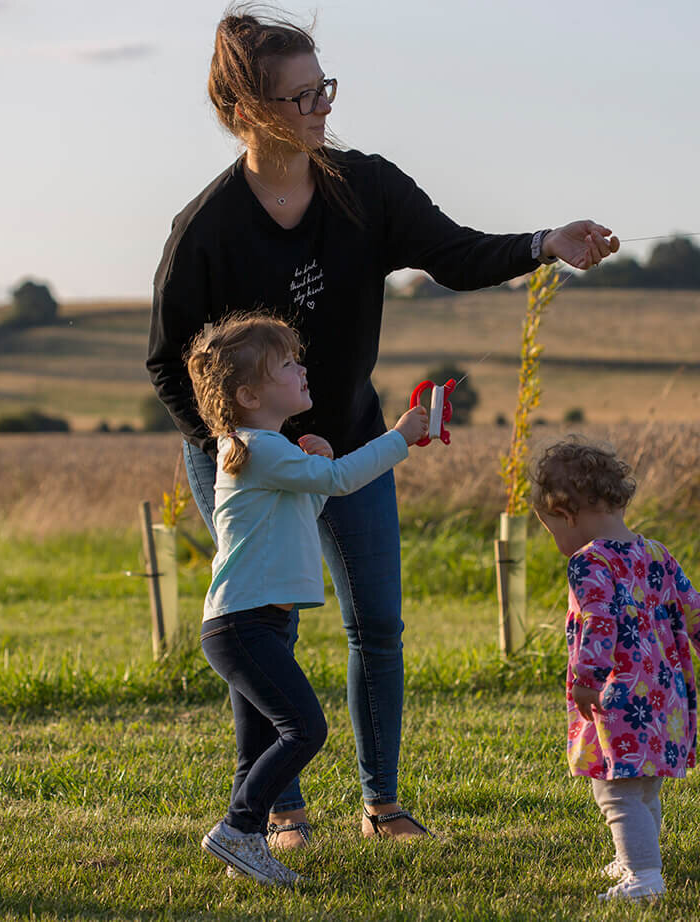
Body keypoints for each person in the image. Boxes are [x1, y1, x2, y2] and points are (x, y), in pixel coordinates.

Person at [148, 6, 620, 845]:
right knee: (268, 631)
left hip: (356, 441)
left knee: (378, 624)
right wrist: (226, 442)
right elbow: (164, 360)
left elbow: (458, 253)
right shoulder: (207, 229)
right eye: (301, 96)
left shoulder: (364, 187)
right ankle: (277, 812)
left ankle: (383, 804)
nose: (322, 106)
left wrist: (550, 241)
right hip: (245, 458)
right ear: (249, 111)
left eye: (323, 86)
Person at [186, 314, 430, 885]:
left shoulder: (266, 450)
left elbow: (309, 505)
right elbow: (343, 482)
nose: (302, 369)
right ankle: (239, 827)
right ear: (249, 395)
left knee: (259, 744)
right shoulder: (254, 448)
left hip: (250, 623)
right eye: (288, 365)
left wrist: (316, 465)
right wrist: (399, 439)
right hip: (243, 625)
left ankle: (242, 852)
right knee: (305, 730)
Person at [530, 439, 700, 903]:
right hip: (664, 695)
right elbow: (695, 606)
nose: (556, 542)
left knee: (616, 790)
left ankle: (644, 875)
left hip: (619, 694)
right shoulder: (656, 553)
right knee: (643, 788)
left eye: (550, 528)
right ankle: (634, 858)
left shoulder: (589, 562)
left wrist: (586, 677)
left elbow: (598, 621)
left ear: (568, 515)